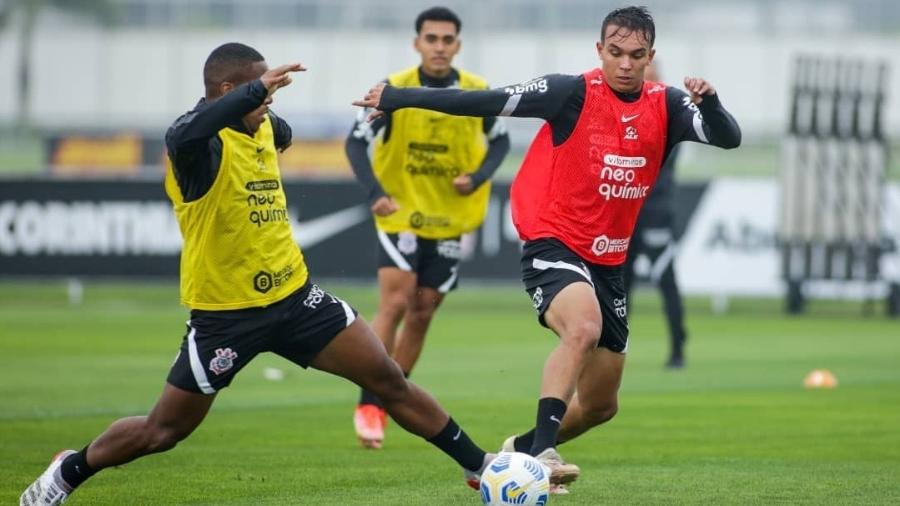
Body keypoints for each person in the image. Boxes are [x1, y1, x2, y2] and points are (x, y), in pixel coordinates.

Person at [20, 42, 496, 506]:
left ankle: (482, 469)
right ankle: (68, 471)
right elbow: (187, 130)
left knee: (388, 380)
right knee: (163, 431)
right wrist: (248, 96)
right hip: (226, 315)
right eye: (261, 94)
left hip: (296, 298)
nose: (269, 105)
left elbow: (279, 128)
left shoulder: (266, 126)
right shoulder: (195, 147)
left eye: (270, 96)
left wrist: (374, 118)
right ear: (228, 90)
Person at [353, 5, 741, 493]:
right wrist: (399, 97)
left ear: (651, 56)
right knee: (582, 326)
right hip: (551, 238)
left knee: (602, 406)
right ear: (599, 50)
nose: (624, 63)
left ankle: (518, 449)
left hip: (609, 260)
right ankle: (541, 455)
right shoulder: (570, 92)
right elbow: (488, 100)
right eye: (615, 52)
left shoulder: (668, 104)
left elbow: (729, 138)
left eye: (636, 55)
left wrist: (712, 103)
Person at [345, 6, 510, 450]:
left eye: (447, 39)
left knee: (422, 311)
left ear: (458, 44)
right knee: (396, 301)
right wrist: (376, 192)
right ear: (417, 43)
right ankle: (369, 405)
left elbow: (501, 141)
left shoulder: (476, 92)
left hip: (450, 220)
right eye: (431, 39)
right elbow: (356, 142)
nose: (439, 46)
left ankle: (391, 398)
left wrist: (476, 178)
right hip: (400, 213)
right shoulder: (394, 89)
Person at [621, 61, 689, 369]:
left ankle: (678, 347)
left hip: (655, 213)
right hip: (626, 215)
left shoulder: (669, 115)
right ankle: (615, 347)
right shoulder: (627, 116)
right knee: (622, 286)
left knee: (666, 281)